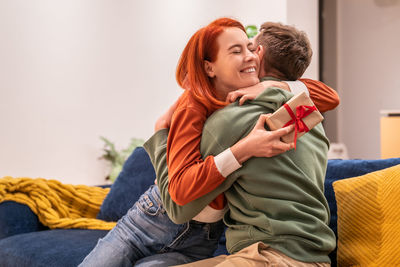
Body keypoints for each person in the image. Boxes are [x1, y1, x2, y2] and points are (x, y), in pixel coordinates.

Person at [80, 18, 337, 267]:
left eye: (250, 48)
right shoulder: (197, 105)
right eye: (238, 50)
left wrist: (272, 87)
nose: (249, 55)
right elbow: (176, 196)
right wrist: (162, 136)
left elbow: (331, 97)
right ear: (209, 67)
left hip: (203, 233)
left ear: (260, 55)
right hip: (158, 214)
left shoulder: (262, 105)